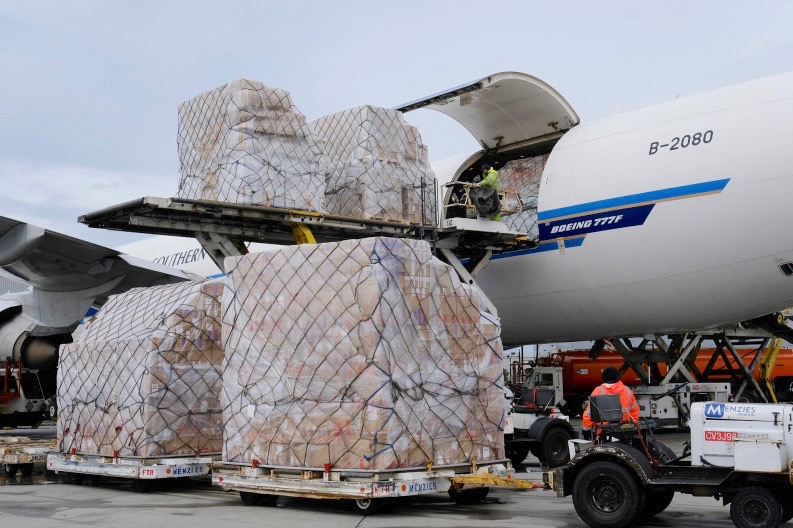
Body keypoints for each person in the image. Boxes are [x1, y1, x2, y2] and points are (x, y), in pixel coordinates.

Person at [581, 366, 639, 440]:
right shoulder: (627, 390)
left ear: (603, 377)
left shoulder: (598, 391)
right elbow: (634, 411)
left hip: (603, 432)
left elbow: (589, 413)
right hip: (624, 431)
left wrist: (586, 430)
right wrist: (634, 426)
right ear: (617, 377)